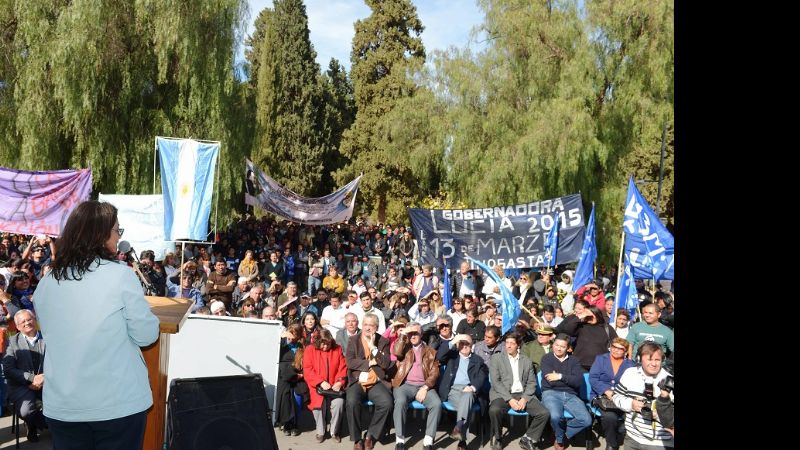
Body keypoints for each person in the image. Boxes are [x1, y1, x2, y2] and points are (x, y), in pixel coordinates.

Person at [33, 200, 160, 449]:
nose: (119, 237)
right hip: (116, 403)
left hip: (64, 404)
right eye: (117, 231)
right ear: (101, 235)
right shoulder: (120, 275)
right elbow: (146, 335)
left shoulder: (46, 284)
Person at [488, 332, 550, 450]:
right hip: (503, 393)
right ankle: (499, 438)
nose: (508, 346)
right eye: (507, 343)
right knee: (494, 410)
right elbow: (496, 382)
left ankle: (528, 438)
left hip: (522, 393)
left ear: (518, 346)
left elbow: (532, 382)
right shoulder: (496, 358)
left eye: (512, 343)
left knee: (544, 413)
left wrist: (525, 398)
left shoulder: (526, 360)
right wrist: (510, 399)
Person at [612, 342, 674, 448]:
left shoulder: (669, 381)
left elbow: (671, 421)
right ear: (639, 359)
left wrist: (657, 414)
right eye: (649, 359)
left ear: (662, 360)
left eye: (657, 360)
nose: (654, 364)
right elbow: (616, 396)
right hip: (632, 438)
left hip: (659, 443)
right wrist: (631, 404)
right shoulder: (630, 373)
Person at [345, 313, 393, 450]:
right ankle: (357, 439)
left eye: (371, 325)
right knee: (352, 402)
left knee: (387, 403)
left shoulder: (383, 341)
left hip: (376, 381)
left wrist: (373, 348)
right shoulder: (353, 340)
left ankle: (370, 435)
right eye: (365, 324)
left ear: (376, 327)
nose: (367, 328)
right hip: (358, 380)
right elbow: (350, 362)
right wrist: (369, 363)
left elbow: (385, 364)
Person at [390, 323, 441, 450]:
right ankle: (400, 440)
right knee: (400, 401)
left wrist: (425, 388)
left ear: (421, 334)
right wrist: (403, 334)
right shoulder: (404, 348)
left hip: (423, 386)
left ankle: (428, 440)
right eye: (410, 333)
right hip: (404, 385)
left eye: (416, 333)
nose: (413, 336)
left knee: (436, 404)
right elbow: (396, 352)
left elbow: (435, 373)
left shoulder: (431, 351)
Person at [539, 334, 592, 450]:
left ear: (568, 348)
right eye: (557, 345)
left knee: (586, 420)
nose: (558, 348)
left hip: (571, 395)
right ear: (553, 345)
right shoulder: (547, 358)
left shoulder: (574, 361)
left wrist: (559, 376)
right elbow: (550, 382)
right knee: (555, 416)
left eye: (562, 347)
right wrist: (569, 379)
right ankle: (559, 439)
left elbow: (578, 382)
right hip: (550, 393)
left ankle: (562, 435)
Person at [437, 333, 488, 450]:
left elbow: (481, 376)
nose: (464, 346)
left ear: (472, 346)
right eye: (462, 343)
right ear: (458, 345)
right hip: (453, 390)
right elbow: (439, 356)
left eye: (467, 344)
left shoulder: (478, 360)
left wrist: (473, 387)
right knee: (465, 406)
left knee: (467, 396)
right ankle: (461, 439)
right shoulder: (452, 356)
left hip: (469, 390)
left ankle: (459, 429)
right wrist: (453, 341)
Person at [2, 310, 47, 442]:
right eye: (23, 322)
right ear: (17, 326)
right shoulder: (11, 341)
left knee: (64, 404)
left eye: (29, 319)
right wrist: (31, 379)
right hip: (21, 384)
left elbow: (60, 362)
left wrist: (44, 378)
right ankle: (35, 424)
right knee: (26, 411)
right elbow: (8, 369)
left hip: (47, 382)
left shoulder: (48, 337)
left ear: (35, 320)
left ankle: (47, 423)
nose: (27, 323)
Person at [589, 338, 636, 450]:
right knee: (610, 417)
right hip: (602, 396)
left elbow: (634, 383)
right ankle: (612, 444)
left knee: (629, 418)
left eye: (620, 349)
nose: (615, 350)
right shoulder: (601, 359)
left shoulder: (631, 365)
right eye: (614, 347)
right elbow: (593, 378)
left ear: (625, 352)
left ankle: (619, 431)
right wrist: (606, 390)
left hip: (623, 396)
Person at [303, 329, 348, 443]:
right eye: (323, 344)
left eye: (328, 344)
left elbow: (342, 368)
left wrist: (339, 382)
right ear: (318, 342)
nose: (325, 347)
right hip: (317, 386)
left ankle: (334, 431)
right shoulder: (309, 350)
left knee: (339, 403)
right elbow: (308, 369)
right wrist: (320, 382)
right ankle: (320, 431)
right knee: (318, 405)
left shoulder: (337, 349)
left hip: (334, 386)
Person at [275, 323, 309, 436]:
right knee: (285, 398)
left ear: (299, 335)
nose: (291, 336)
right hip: (285, 378)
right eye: (290, 333)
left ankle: (295, 423)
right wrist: (282, 338)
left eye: (294, 333)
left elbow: (309, 364)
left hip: (299, 378)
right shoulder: (282, 347)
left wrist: (301, 375)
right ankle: (287, 423)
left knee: (297, 398)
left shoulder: (303, 347)